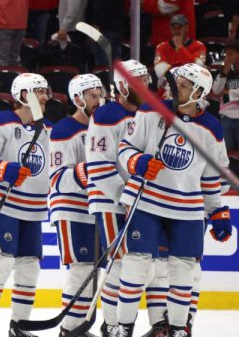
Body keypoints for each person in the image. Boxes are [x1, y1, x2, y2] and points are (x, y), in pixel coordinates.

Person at [115, 63, 231, 337]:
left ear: (199, 92)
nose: (173, 87)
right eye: (176, 81)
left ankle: (179, 330)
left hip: (188, 210)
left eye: (182, 84)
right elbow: (125, 148)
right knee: (137, 263)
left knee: (183, 270)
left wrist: (216, 210)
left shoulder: (211, 129)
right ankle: (123, 328)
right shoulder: (150, 110)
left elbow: (210, 178)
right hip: (147, 202)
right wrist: (137, 162)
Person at [0, 73, 51, 337]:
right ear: (24, 95)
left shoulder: (46, 128)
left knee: (30, 266)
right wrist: (1, 169)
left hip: (33, 207)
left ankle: (20, 327)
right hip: (1, 203)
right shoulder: (1, 122)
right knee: (1, 261)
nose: (46, 96)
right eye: (40, 91)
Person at [85, 60, 150, 337]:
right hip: (111, 200)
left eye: (147, 79)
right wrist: (125, 196)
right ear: (123, 86)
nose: (146, 86)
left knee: (140, 265)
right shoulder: (105, 116)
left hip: (143, 201)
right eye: (139, 81)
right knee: (119, 264)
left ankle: (128, 324)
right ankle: (111, 325)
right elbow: (98, 166)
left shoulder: (148, 113)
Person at [48, 74, 105, 336]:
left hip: (98, 208)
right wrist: (90, 171)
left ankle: (80, 327)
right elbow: (57, 178)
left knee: (95, 270)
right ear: (77, 99)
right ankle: (70, 329)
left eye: (100, 93)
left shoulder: (105, 128)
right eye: (92, 95)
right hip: (72, 208)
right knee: (81, 268)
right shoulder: (64, 130)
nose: (98, 99)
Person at [153, 14, 207, 80]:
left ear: (187, 28)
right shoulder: (161, 47)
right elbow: (160, 72)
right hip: (168, 86)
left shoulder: (199, 46)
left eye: (180, 27)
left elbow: (196, 69)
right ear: (170, 29)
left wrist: (180, 48)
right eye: (174, 28)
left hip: (190, 85)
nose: (176, 31)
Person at [213, 40, 239, 151]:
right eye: (226, 54)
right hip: (225, 116)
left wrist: (228, 92)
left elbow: (224, 92)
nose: (228, 58)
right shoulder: (223, 71)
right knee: (228, 155)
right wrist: (224, 73)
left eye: (231, 54)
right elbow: (216, 91)